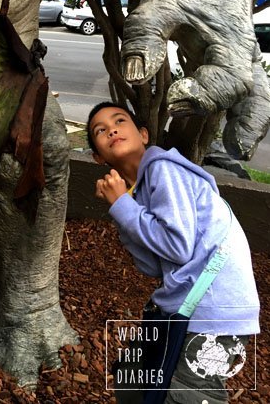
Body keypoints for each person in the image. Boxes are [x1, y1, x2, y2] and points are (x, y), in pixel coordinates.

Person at [87, 101, 260, 404]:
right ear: (97, 156)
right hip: (186, 306)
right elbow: (154, 265)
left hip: (213, 309)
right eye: (100, 130)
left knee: (187, 395)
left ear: (143, 134)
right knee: (132, 381)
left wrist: (123, 208)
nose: (112, 129)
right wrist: (121, 209)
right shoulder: (138, 192)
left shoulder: (163, 168)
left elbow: (177, 247)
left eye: (119, 121)